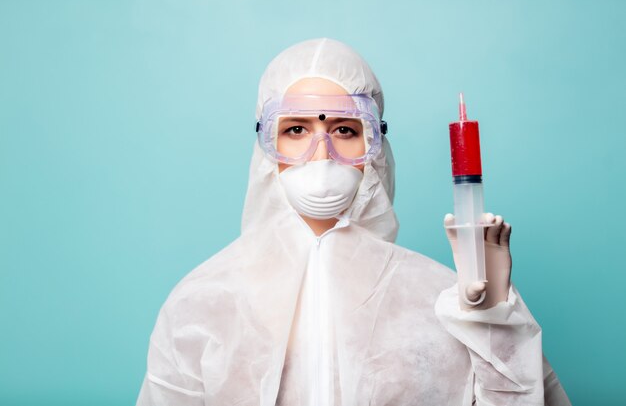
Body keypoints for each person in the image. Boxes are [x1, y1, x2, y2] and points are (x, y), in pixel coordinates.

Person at [136, 38, 571, 405]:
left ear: (375, 146)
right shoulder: (203, 301)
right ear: (267, 146)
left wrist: (493, 317)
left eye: (345, 129)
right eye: (296, 130)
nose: (321, 153)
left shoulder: (438, 297)